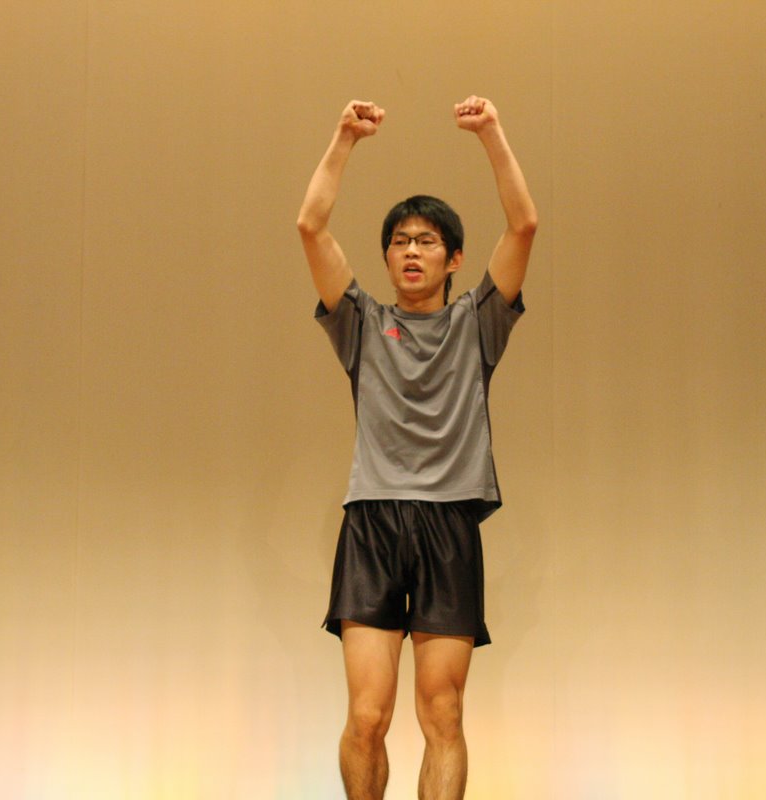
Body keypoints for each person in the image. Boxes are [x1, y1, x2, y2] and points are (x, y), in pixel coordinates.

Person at [296, 95, 536, 800]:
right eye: (400, 240)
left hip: (449, 522)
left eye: (427, 241)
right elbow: (310, 226)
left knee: (443, 712)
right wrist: (343, 137)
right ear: (386, 256)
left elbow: (524, 225)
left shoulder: (477, 323)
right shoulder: (362, 323)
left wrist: (492, 132)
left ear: (453, 257)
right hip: (373, 520)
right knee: (368, 717)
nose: (410, 251)